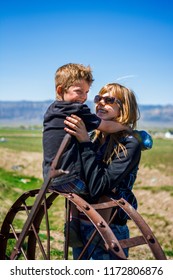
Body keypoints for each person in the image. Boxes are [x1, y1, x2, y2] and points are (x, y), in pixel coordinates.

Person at [64, 82, 153, 259]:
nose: (100, 103)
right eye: (98, 98)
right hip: (82, 224)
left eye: (109, 100)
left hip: (109, 229)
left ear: (124, 108)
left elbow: (99, 187)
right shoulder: (93, 138)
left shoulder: (129, 144)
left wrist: (84, 143)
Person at [43, 63, 128, 196]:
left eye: (87, 92)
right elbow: (106, 126)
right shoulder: (77, 110)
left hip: (51, 178)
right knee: (102, 192)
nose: (84, 97)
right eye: (79, 91)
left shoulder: (52, 110)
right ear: (60, 91)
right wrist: (125, 126)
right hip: (70, 178)